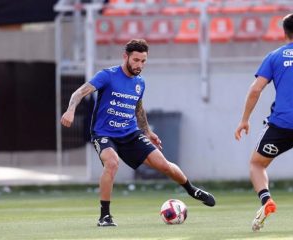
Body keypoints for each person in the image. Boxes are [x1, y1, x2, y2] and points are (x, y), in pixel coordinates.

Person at [61, 39, 216, 227]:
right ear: (125, 57)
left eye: (143, 61)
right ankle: (105, 216)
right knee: (112, 163)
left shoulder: (139, 82)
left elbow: (138, 109)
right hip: (104, 134)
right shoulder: (107, 75)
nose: (139, 65)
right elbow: (79, 92)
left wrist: (147, 131)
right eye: (136, 60)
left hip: (131, 133)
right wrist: (70, 110)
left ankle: (193, 191)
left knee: (164, 165)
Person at [235, 13, 293, 232]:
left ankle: (266, 200)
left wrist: (244, 120)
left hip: (282, 123)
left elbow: (256, 89)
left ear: (284, 34)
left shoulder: (275, 56)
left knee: (257, 163)